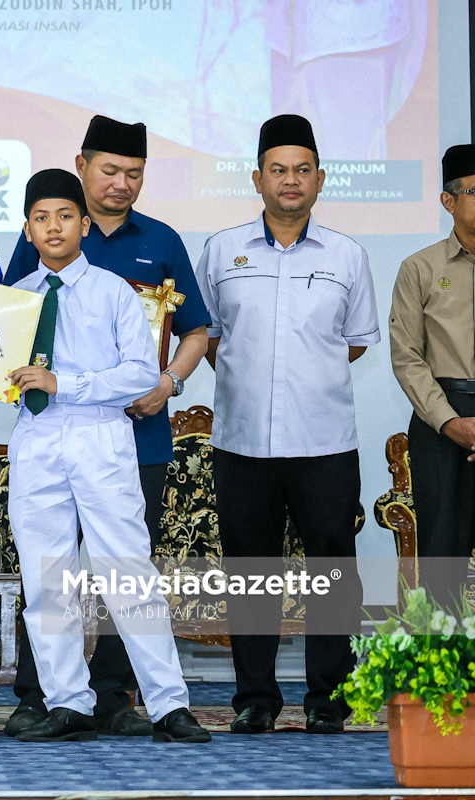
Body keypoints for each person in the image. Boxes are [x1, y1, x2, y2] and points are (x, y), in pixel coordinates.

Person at [3, 115, 211, 738]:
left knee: (128, 572)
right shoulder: (16, 294)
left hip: (101, 438)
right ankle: (68, 701)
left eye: (66, 217)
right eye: (42, 218)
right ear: (29, 228)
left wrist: (66, 386)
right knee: (47, 580)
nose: (54, 228)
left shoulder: (116, 292)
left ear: (83, 225)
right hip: (36, 442)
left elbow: (135, 375)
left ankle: (169, 704)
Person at [195, 114, 380, 735]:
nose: (291, 181)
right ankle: (257, 698)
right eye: (279, 170)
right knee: (250, 569)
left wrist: (302, 374)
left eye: (303, 170)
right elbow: (209, 336)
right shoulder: (222, 250)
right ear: (258, 178)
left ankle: (330, 696)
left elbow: (352, 342)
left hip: (324, 439)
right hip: (243, 437)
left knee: (332, 566)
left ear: (321, 179)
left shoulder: (348, 255)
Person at [389, 144, 475, 614]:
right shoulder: (420, 268)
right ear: (449, 202)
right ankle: (449, 682)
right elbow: (407, 357)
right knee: (444, 565)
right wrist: (449, 422)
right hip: (442, 425)